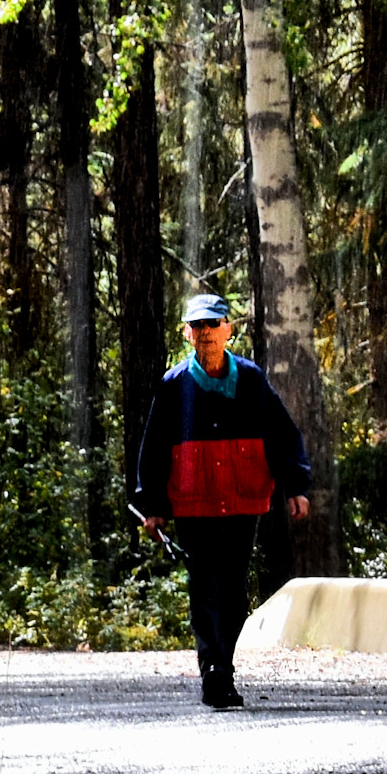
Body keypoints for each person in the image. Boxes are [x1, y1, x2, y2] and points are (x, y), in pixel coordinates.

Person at [128, 293, 314, 709]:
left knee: (233, 590)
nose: (207, 333)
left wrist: (296, 485)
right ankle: (213, 670)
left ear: (229, 330)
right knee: (205, 588)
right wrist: (152, 505)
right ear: (187, 333)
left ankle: (223, 666)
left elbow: (283, 435)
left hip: (243, 500)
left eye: (214, 325)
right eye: (199, 326)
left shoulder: (250, 379)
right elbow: (154, 447)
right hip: (194, 503)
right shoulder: (174, 385)